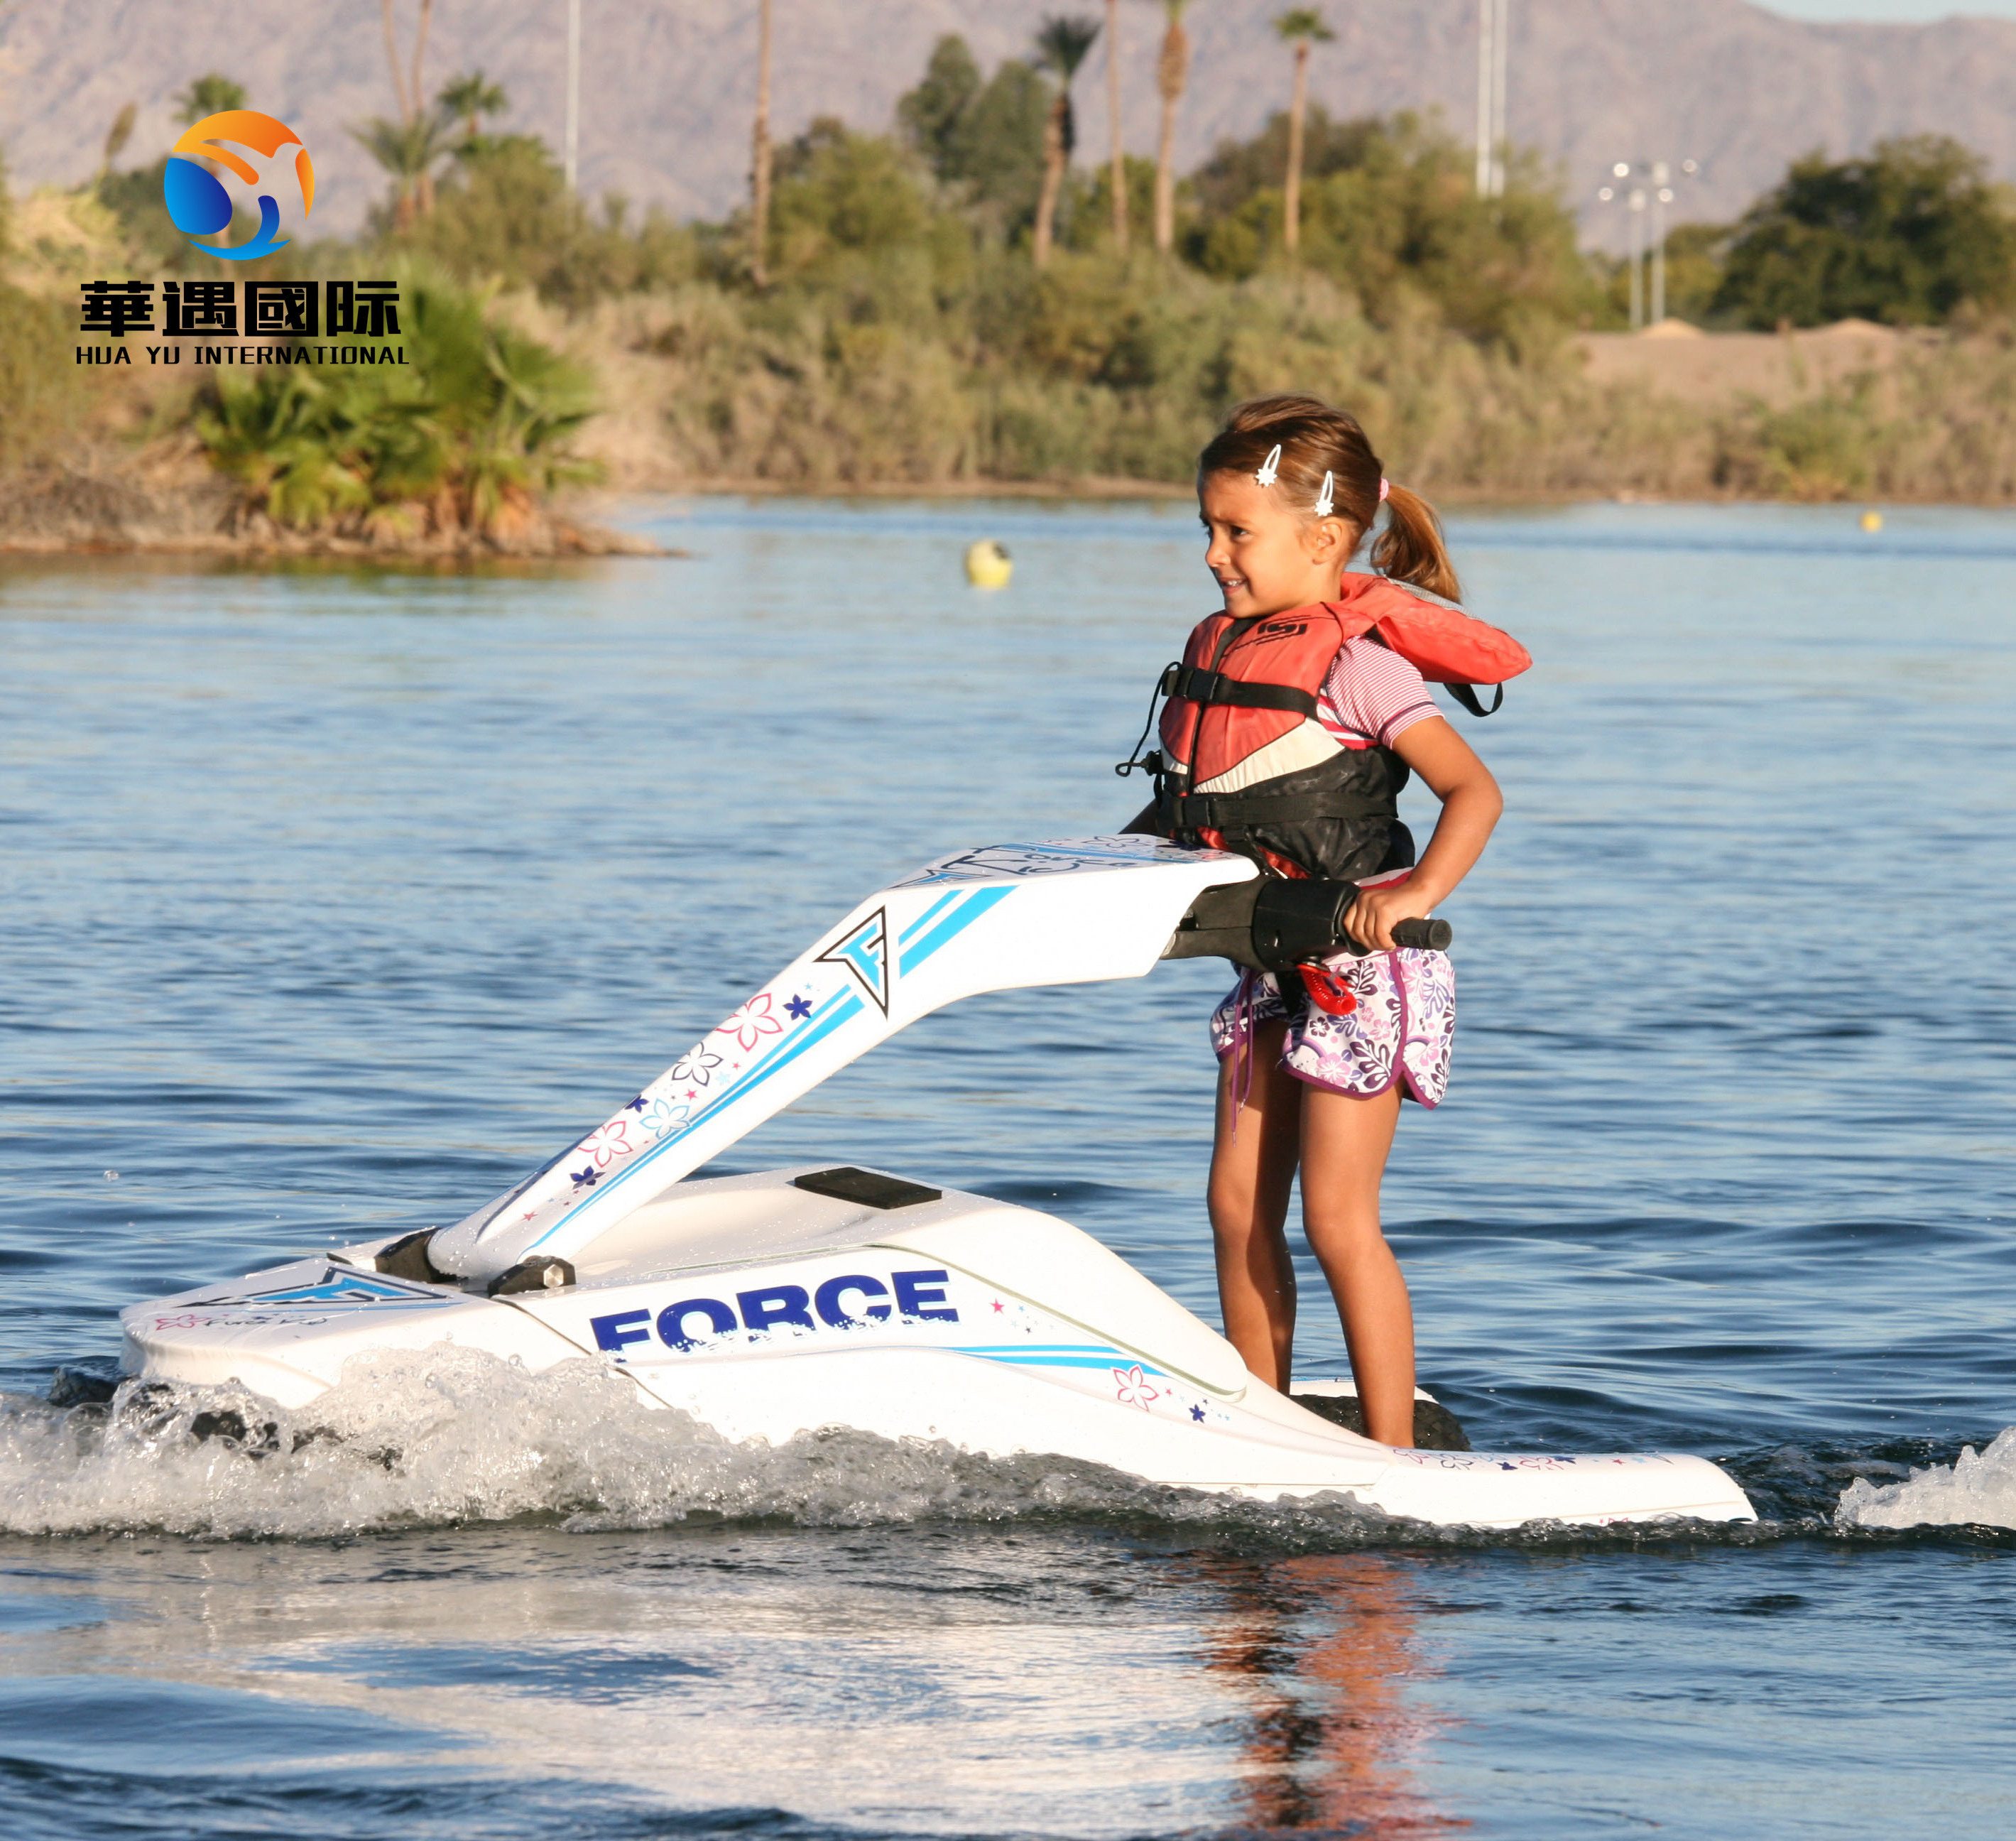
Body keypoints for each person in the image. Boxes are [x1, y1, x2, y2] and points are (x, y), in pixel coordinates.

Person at [1129, 395, 1516, 1445]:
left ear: (1325, 540)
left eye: (1234, 533)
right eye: (1206, 530)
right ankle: (1268, 1428)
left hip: (1364, 971)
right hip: (1268, 959)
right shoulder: (1224, 650)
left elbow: (1472, 792)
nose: (1213, 555)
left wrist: (1416, 896)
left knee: (1338, 1220)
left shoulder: (1358, 663)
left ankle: (1392, 1457)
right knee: (1236, 1209)